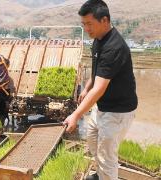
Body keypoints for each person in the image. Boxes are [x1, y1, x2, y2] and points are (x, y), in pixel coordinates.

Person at [63, 1, 138, 180]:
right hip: (103, 107)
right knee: (93, 140)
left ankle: (106, 176)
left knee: (107, 157)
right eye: (83, 24)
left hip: (118, 111)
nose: (86, 29)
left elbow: (100, 89)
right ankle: (101, 175)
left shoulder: (114, 47)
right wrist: (87, 86)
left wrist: (75, 115)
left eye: (89, 24)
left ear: (104, 20)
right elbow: (98, 71)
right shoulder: (98, 39)